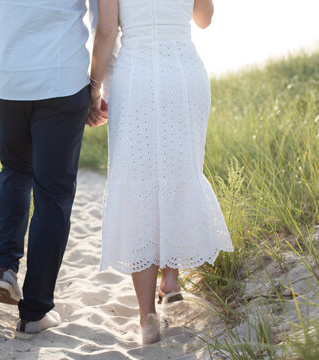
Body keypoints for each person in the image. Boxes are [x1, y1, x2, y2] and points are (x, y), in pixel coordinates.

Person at [0, 0, 106, 338]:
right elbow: (103, 22)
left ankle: (5, 267)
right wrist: (97, 87)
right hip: (63, 78)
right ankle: (34, 313)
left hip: (8, 79)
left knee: (14, 169)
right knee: (53, 195)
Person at [88, 0, 234, 344]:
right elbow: (204, 19)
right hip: (184, 71)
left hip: (136, 74)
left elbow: (107, 30)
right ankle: (170, 279)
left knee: (138, 178)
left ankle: (146, 318)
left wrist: (93, 88)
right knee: (179, 169)